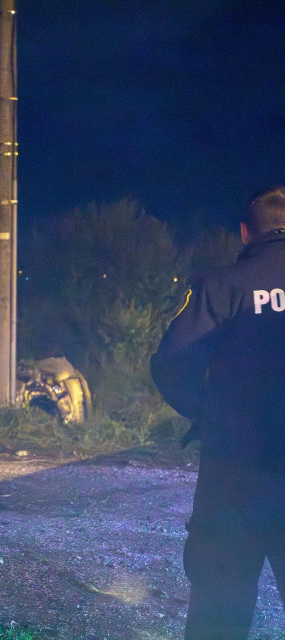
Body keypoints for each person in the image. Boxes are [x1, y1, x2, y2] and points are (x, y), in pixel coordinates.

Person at [151, 186, 285, 640]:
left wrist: (208, 412)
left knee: (218, 615)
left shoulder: (219, 287)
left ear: (246, 232)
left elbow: (171, 364)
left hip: (234, 470)